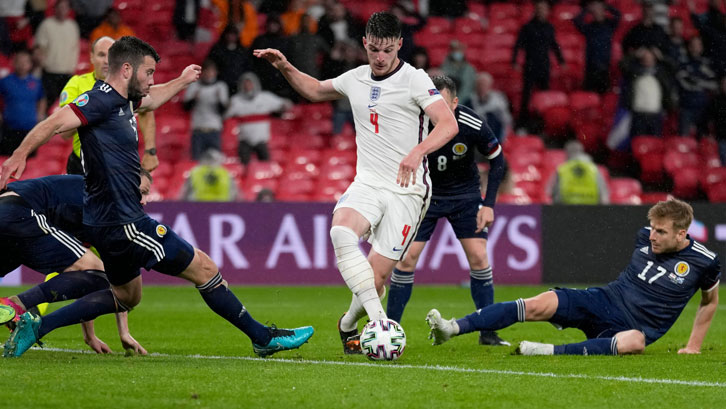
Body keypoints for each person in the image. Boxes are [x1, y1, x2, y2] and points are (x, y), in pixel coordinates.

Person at [0, 36, 313, 358]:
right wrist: (19, 155)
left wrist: (180, 81)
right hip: (124, 222)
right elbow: (55, 121)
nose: (151, 81)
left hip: (106, 222)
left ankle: (38, 326)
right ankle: (263, 337)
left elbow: (151, 100)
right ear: (126, 69)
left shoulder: (123, 101)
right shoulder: (100, 100)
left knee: (126, 295)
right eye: (148, 73)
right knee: (205, 269)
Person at [254, 11, 458, 354]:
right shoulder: (356, 77)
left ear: (399, 46)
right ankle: (380, 324)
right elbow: (316, 90)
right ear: (364, 43)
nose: (380, 58)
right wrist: (285, 66)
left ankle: (348, 324)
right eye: (374, 49)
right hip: (368, 182)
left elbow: (448, 124)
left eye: (387, 51)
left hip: (408, 190)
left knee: (375, 280)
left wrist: (417, 153)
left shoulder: (415, 79)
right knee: (340, 231)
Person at [427, 199, 720, 356]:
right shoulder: (643, 236)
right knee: (538, 303)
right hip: (603, 299)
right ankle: (451, 328)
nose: (652, 236)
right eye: (652, 228)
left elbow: (709, 302)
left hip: (634, 327)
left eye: (661, 232)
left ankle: (546, 351)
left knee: (635, 343)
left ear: (682, 234)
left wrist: (693, 345)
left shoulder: (704, 262)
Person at [386, 75, 507, 346]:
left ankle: (487, 333)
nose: (433, 109)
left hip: (465, 196)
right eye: (429, 102)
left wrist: (488, 205)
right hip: (423, 195)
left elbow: (498, 160)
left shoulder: (472, 123)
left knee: (478, 257)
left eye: (440, 102)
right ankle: (389, 331)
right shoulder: (412, 121)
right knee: (406, 261)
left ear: (454, 102)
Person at [0, 173, 150, 355]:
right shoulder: (106, 207)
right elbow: (118, 280)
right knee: (100, 275)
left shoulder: (94, 197)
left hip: (10, 211)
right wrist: (123, 331)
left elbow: (87, 280)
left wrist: (91, 336)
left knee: (93, 274)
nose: (143, 201)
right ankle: (18, 304)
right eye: (140, 192)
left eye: (146, 193)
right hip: (21, 213)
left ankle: (16, 308)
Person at [59, 36, 158, 174]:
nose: (106, 60)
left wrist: (150, 151)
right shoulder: (76, 84)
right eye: (101, 55)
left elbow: (146, 109)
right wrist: (89, 111)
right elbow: (64, 133)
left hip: (119, 165)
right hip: (83, 165)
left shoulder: (129, 85)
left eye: (111, 54)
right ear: (91, 57)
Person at [512, 0, 565, 130]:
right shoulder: (527, 27)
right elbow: (518, 45)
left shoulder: (549, 27)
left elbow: (554, 45)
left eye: (544, 9)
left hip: (544, 66)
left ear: (547, 11)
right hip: (530, 65)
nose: (542, 11)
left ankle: (542, 124)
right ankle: (523, 123)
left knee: (544, 95)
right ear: (535, 10)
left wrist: (561, 61)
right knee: (527, 95)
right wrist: (514, 61)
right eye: (539, 8)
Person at [224, 72, 292, 164]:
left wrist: (283, 107)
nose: (247, 86)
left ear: (255, 83)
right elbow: (225, 116)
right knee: (243, 166)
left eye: (250, 83)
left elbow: (285, 104)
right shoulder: (236, 100)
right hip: (244, 140)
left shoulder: (265, 98)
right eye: (245, 83)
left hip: (261, 140)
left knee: (266, 164)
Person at [0, 49, 46, 155]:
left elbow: (42, 98)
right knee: (8, 159)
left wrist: (40, 113)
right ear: (14, 63)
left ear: (30, 64)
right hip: (9, 128)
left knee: (29, 161)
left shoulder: (36, 82)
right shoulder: (5, 81)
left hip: (30, 129)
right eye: (19, 62)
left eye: (25, 62)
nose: (22, 65)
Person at [35, 0, 80, 108]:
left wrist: (72, 68)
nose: (62, 10)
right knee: (50, 105)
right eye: (60, 7)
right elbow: (39, 48)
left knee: (65, 106)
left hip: (67, 73)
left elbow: (75, 48)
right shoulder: (46, 24)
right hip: (50, 72)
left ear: (69, 10)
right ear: (54, 9)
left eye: (65, 7)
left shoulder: (73, 26)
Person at [183, 59, 229, 160]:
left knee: (216, 161)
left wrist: (218, 101)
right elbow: (185, 108)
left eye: (211, 71)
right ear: (202, 73)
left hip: (214, 129)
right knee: (197, 161)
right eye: (207, 71)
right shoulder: (194, 86)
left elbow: (223, 111)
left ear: (216, 72)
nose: (209, 74)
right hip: (198, 129)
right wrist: (194, 99)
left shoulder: (220, 86)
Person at [573, 0, 621, 94]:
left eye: (599, 8)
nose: (597, 11)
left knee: (603, 95)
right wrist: (587, 9)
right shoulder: (589, 28)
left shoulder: (610, 25)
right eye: (595, 9)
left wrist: (606, 6)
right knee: (589, 95)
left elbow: (618, 15)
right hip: (591, 68)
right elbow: (576, 21)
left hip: (604, 67)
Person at [548, 140, 609, 204]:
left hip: (566, 210)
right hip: (591, 210)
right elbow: (604, 195)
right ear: (582, 151)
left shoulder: (562, 169)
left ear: (567, 153)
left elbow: (550, 192)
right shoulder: (594, 169)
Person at [470, 72, 512, 145]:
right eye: (480, 84)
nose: (482, 87)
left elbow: (506, 120)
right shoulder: (470, 101)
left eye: (484, 84)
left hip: (494, 137)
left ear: (490, 85)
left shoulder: (498, 100)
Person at [440, 40, 476, 107]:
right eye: (454, 50)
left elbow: (467, 87)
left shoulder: (469, 69)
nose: (457, 52)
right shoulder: (444, 67)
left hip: (465, 101)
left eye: (459, 50)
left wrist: (457, 102)